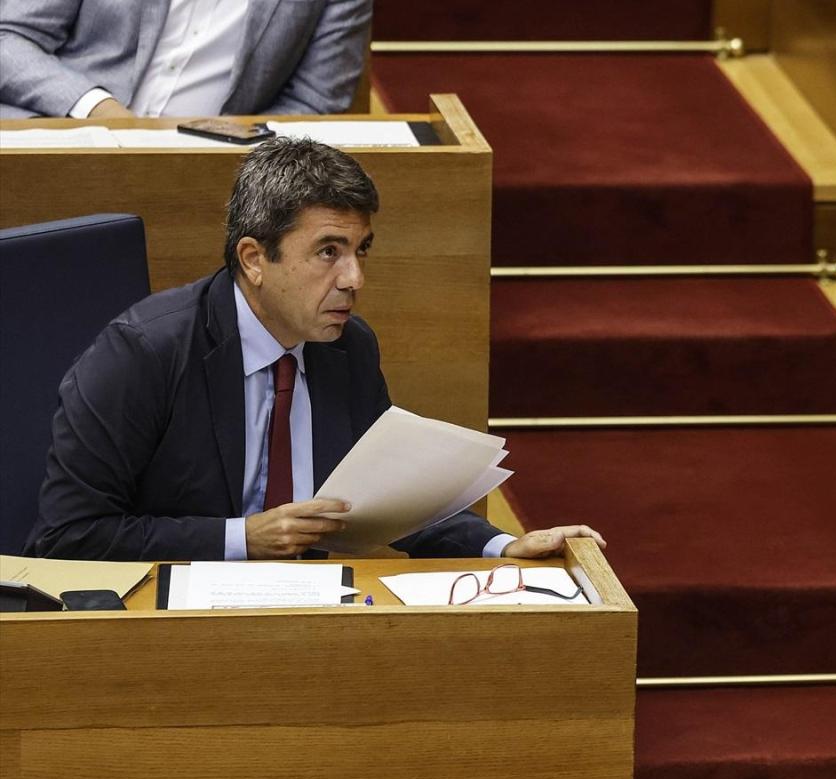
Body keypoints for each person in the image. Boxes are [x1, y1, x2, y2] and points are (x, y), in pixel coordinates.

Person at [26, 137, 603, 563]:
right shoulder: (145, 352)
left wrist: (504, 544)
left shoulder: (347, 349)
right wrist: (240, 538)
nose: (354, 278)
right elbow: (66, 536)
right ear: (254, 259)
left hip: (310, 616)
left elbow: (387, 504)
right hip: (163, 630)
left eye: (361, 251)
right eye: (329, 251)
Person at [0, 0, 370, 120]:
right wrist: (97, 108)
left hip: (209, 185)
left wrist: (220, 155)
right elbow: (9, 38)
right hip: (59, 135)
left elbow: (315, 103)